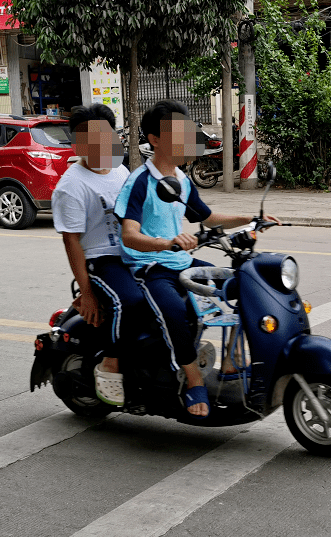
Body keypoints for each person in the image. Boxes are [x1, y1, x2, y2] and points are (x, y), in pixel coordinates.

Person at [115, 100, 279, 418]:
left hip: (179, 262)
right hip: (149, 267)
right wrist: (169, 241)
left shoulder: (182, 179)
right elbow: (129, 235)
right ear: (155, 139)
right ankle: (194, 383)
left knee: (243, 285)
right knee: (175, 311)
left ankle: (232, 363)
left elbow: (207, 216)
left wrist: (252, 218)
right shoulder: (140, 182)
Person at [51, 104, 148, 406]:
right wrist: (88, 291)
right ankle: (111, 363)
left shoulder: (121, 171)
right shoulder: (72, 184)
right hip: (100, 259)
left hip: (131, 253)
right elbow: (72, 242)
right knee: (129, 301)